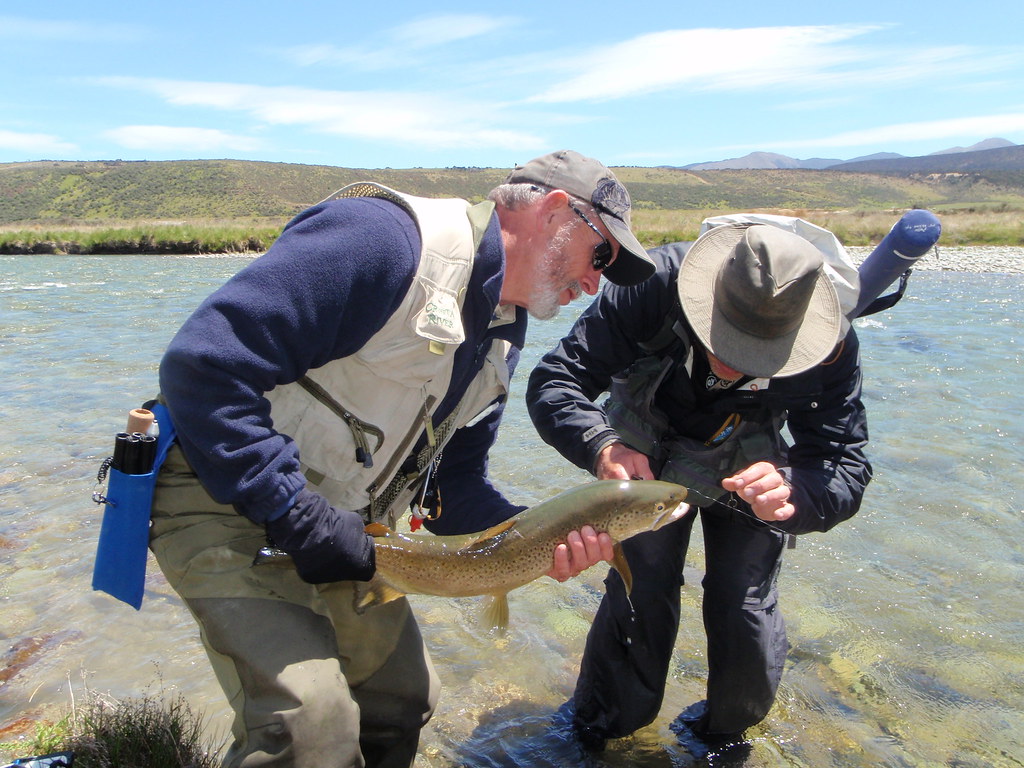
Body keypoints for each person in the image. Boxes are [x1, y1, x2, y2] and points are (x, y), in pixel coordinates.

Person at [147, 149, 656, 768]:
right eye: (600, 255)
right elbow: (202, 366)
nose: (596, 284)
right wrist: (300, 518)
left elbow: (456, 489)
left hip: (343, 527)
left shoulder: (502, 330)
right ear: (554, 213)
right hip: (218, 491)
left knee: (404, 698)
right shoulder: (383, 241)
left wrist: (540, 540)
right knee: (311, 728)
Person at [527, 220, 872, 750]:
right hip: (644, 455)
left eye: (757, 355)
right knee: (641, 587)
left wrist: (794, 493)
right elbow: (556, 380)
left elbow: (842, 462)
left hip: (752, 465)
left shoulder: (829, 345)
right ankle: (604, 734)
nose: (731, 362)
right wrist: (601, 445)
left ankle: (724, 738)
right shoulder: (651, 286)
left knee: (744, 605)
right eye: (723, 340)